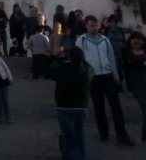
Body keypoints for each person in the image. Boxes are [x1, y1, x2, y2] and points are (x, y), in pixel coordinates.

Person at [75, 14, 134, 146]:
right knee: (99, 106)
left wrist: (116, 76)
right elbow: (80, 60)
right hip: (93, 77)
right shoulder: (81, 41)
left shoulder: (104, 39)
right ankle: (104, 132)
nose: (94, 28)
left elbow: (111, 57)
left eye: (96, 25)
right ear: (86, 26)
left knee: (116, 107)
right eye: (92, 25)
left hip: (107, 75)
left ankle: (122, 134)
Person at [49, 46, 93, 160]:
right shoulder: (86, 69)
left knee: (70, 141)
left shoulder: (64, 67)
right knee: (79, 137)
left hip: (64, 106)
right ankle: (82, 156)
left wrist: (56, 57)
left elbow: (48, 71)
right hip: (81, 106)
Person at [122, 31, 146, 142]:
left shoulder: (144, 50)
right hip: (136, 82)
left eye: (140, 39)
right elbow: (126, 68)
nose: (138, 42)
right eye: (135, 39)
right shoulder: (126, 51)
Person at [0, 45, 14, 124]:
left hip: (3, 80)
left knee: (4, 100)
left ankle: (7, 117)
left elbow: (6, 69)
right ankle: (1, 117)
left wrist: (10, 78)